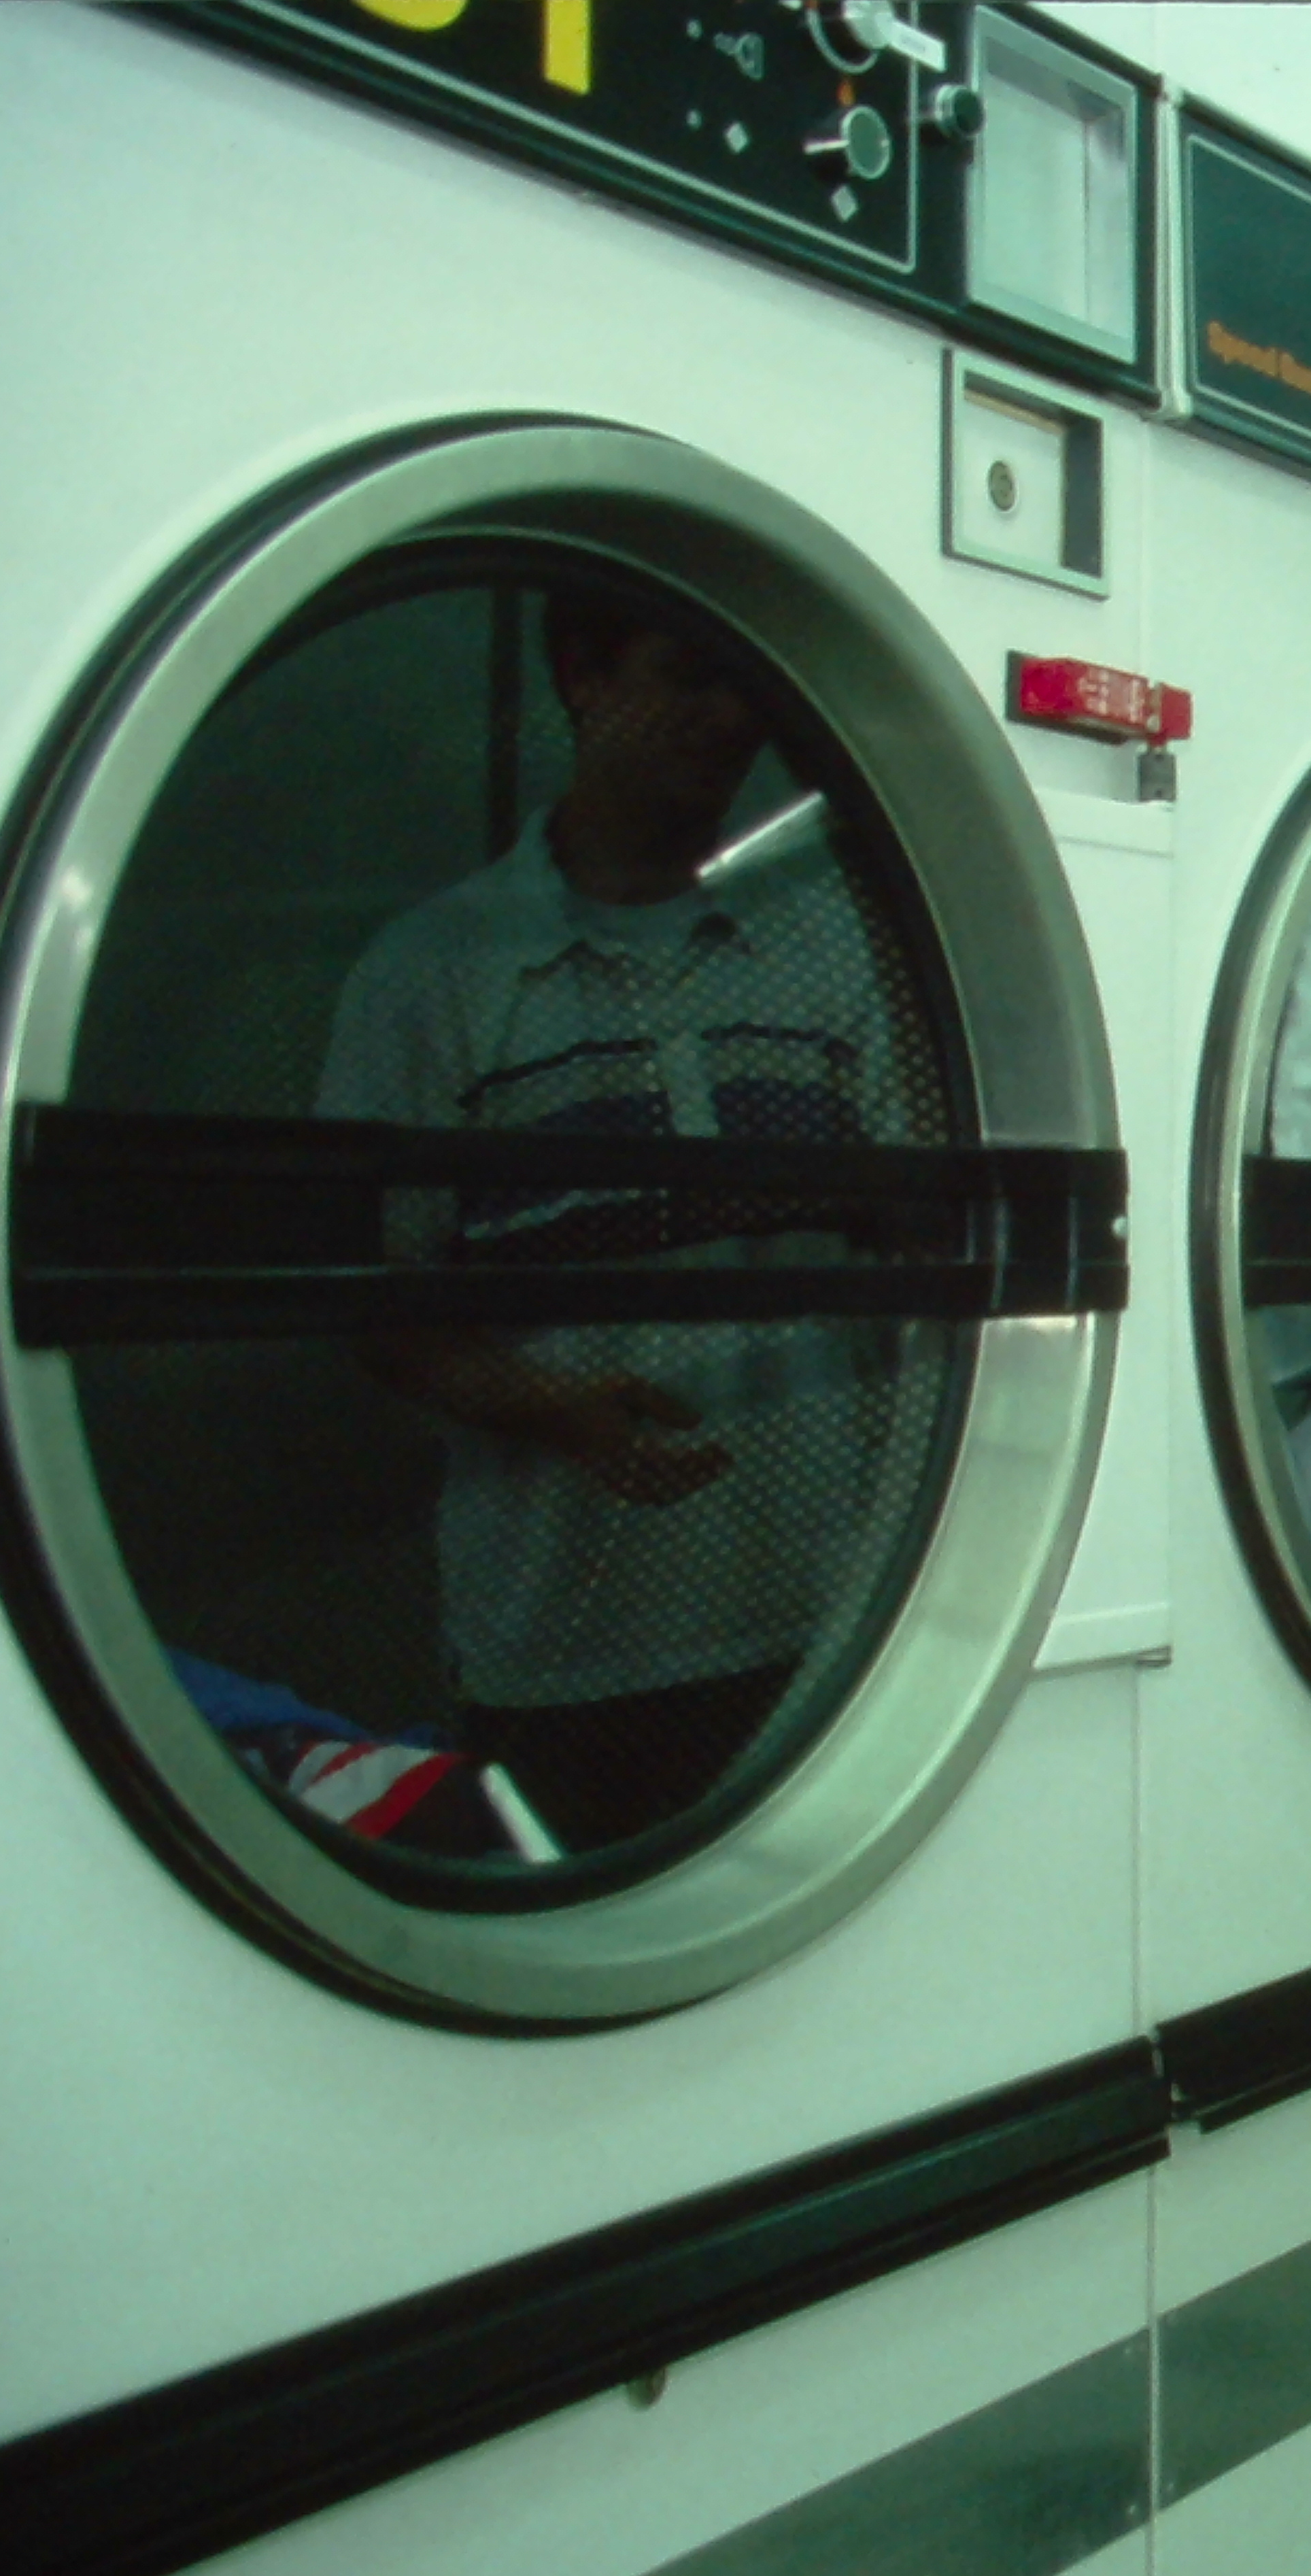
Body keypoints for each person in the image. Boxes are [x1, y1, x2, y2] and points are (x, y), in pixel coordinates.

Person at [316, 589, 918, 1853]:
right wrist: (552, 1410)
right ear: (583, 675)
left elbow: (937, 1234)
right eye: (689, 677)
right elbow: (378, 1305)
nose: (730, 717)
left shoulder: (830, 947)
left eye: (748, 686)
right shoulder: (438, 975)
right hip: (573, 1644)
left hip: (845, 1609)